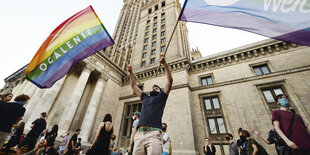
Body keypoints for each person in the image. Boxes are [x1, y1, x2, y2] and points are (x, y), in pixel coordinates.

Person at [128, 56, 173, 155]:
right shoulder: (145, 97)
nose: (154, 88)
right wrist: (131, 72)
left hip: (154, 133)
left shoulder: (162, 97)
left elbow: (169, 81)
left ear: (160, 91)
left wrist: (165, 64)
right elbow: (134, 86)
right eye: (153, 87)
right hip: (139, 134)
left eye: (157, 88)